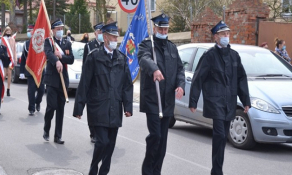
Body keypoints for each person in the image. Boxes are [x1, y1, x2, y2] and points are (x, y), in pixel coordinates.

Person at [189, 21, 251, 175]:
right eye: (223, 34)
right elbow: (198, 78)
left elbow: (241, 79)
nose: (226, 36)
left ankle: (217, 169)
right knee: (220, 135)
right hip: (215, 101)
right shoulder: (209, 56)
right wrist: (193, 101)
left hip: (229, 102)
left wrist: (246, 101)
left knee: (222, 138)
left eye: (228, 34)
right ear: (216, 37)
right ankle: (217, 171)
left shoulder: (234, 56)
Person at [74, 21, 133, 175]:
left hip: (115, 106)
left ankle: (103, 172)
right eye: (113, 37)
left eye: (116, 37)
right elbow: (85, 83)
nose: (116, 40)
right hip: (98, 107)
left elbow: (127, 85)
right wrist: (79, 107)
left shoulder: (121, 58)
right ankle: (94, 169)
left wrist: (128, 106)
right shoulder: (94, 57)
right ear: (105, 38)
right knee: (102, 142)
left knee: (111, 144)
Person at [137, 13, 185, 175]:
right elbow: (143, 59)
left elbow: (180, 69)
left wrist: (181, 85)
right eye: (161, 29)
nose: (164, 32)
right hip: (153, 99)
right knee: (155, 136)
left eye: (166, 29)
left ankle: (156, 172)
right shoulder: (147, 45)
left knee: (163, 142)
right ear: (155, 28)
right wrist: (154, 69)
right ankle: (147, 171)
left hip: (167, 101)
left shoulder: (172, 48)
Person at [43, 19, 74, 144]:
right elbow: (48, 53)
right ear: (53, 30)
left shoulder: (67, 43)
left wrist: (61, 57)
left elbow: (71, 59)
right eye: (58, 29)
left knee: (61, 109)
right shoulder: (49, 41)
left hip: (63, 81)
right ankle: (46, 129)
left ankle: (58, 135)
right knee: (51, 107)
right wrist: (56, 61)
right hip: (52, 80)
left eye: (62, 29)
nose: (60, 31)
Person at [81, 22, 104, 143]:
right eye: (99, 32)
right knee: (92, 110)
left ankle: (101, 132)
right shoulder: (89, 46)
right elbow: (85, 66)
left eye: (102, 32)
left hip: (103, 83)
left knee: (102, 109)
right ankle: (93, 133)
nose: (101, 34)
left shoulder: (107, 45)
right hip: (93, 83)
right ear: (95, 33)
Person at [19, 29, 45, 116]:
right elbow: (23, 58)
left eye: (31, 30)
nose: (30, 32)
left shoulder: (41, 42)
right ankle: (31, 108)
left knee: (41, 90)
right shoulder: (26, 44)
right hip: (30, 71)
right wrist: (21, 71)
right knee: (31, 91)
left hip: (40, 71)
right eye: (29, 31)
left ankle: (37, 102)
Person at [1, 26, 16, 96]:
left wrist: (15, 59)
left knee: (9, 74)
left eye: (9, 31)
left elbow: (14, 50)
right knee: (4, 74)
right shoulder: (2, 39)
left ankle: (8, 89)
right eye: (7, 31)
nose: (8, 32)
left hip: (10, 58)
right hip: (4, 58)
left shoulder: (13, 40)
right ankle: (1, 87)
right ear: (5, 32)